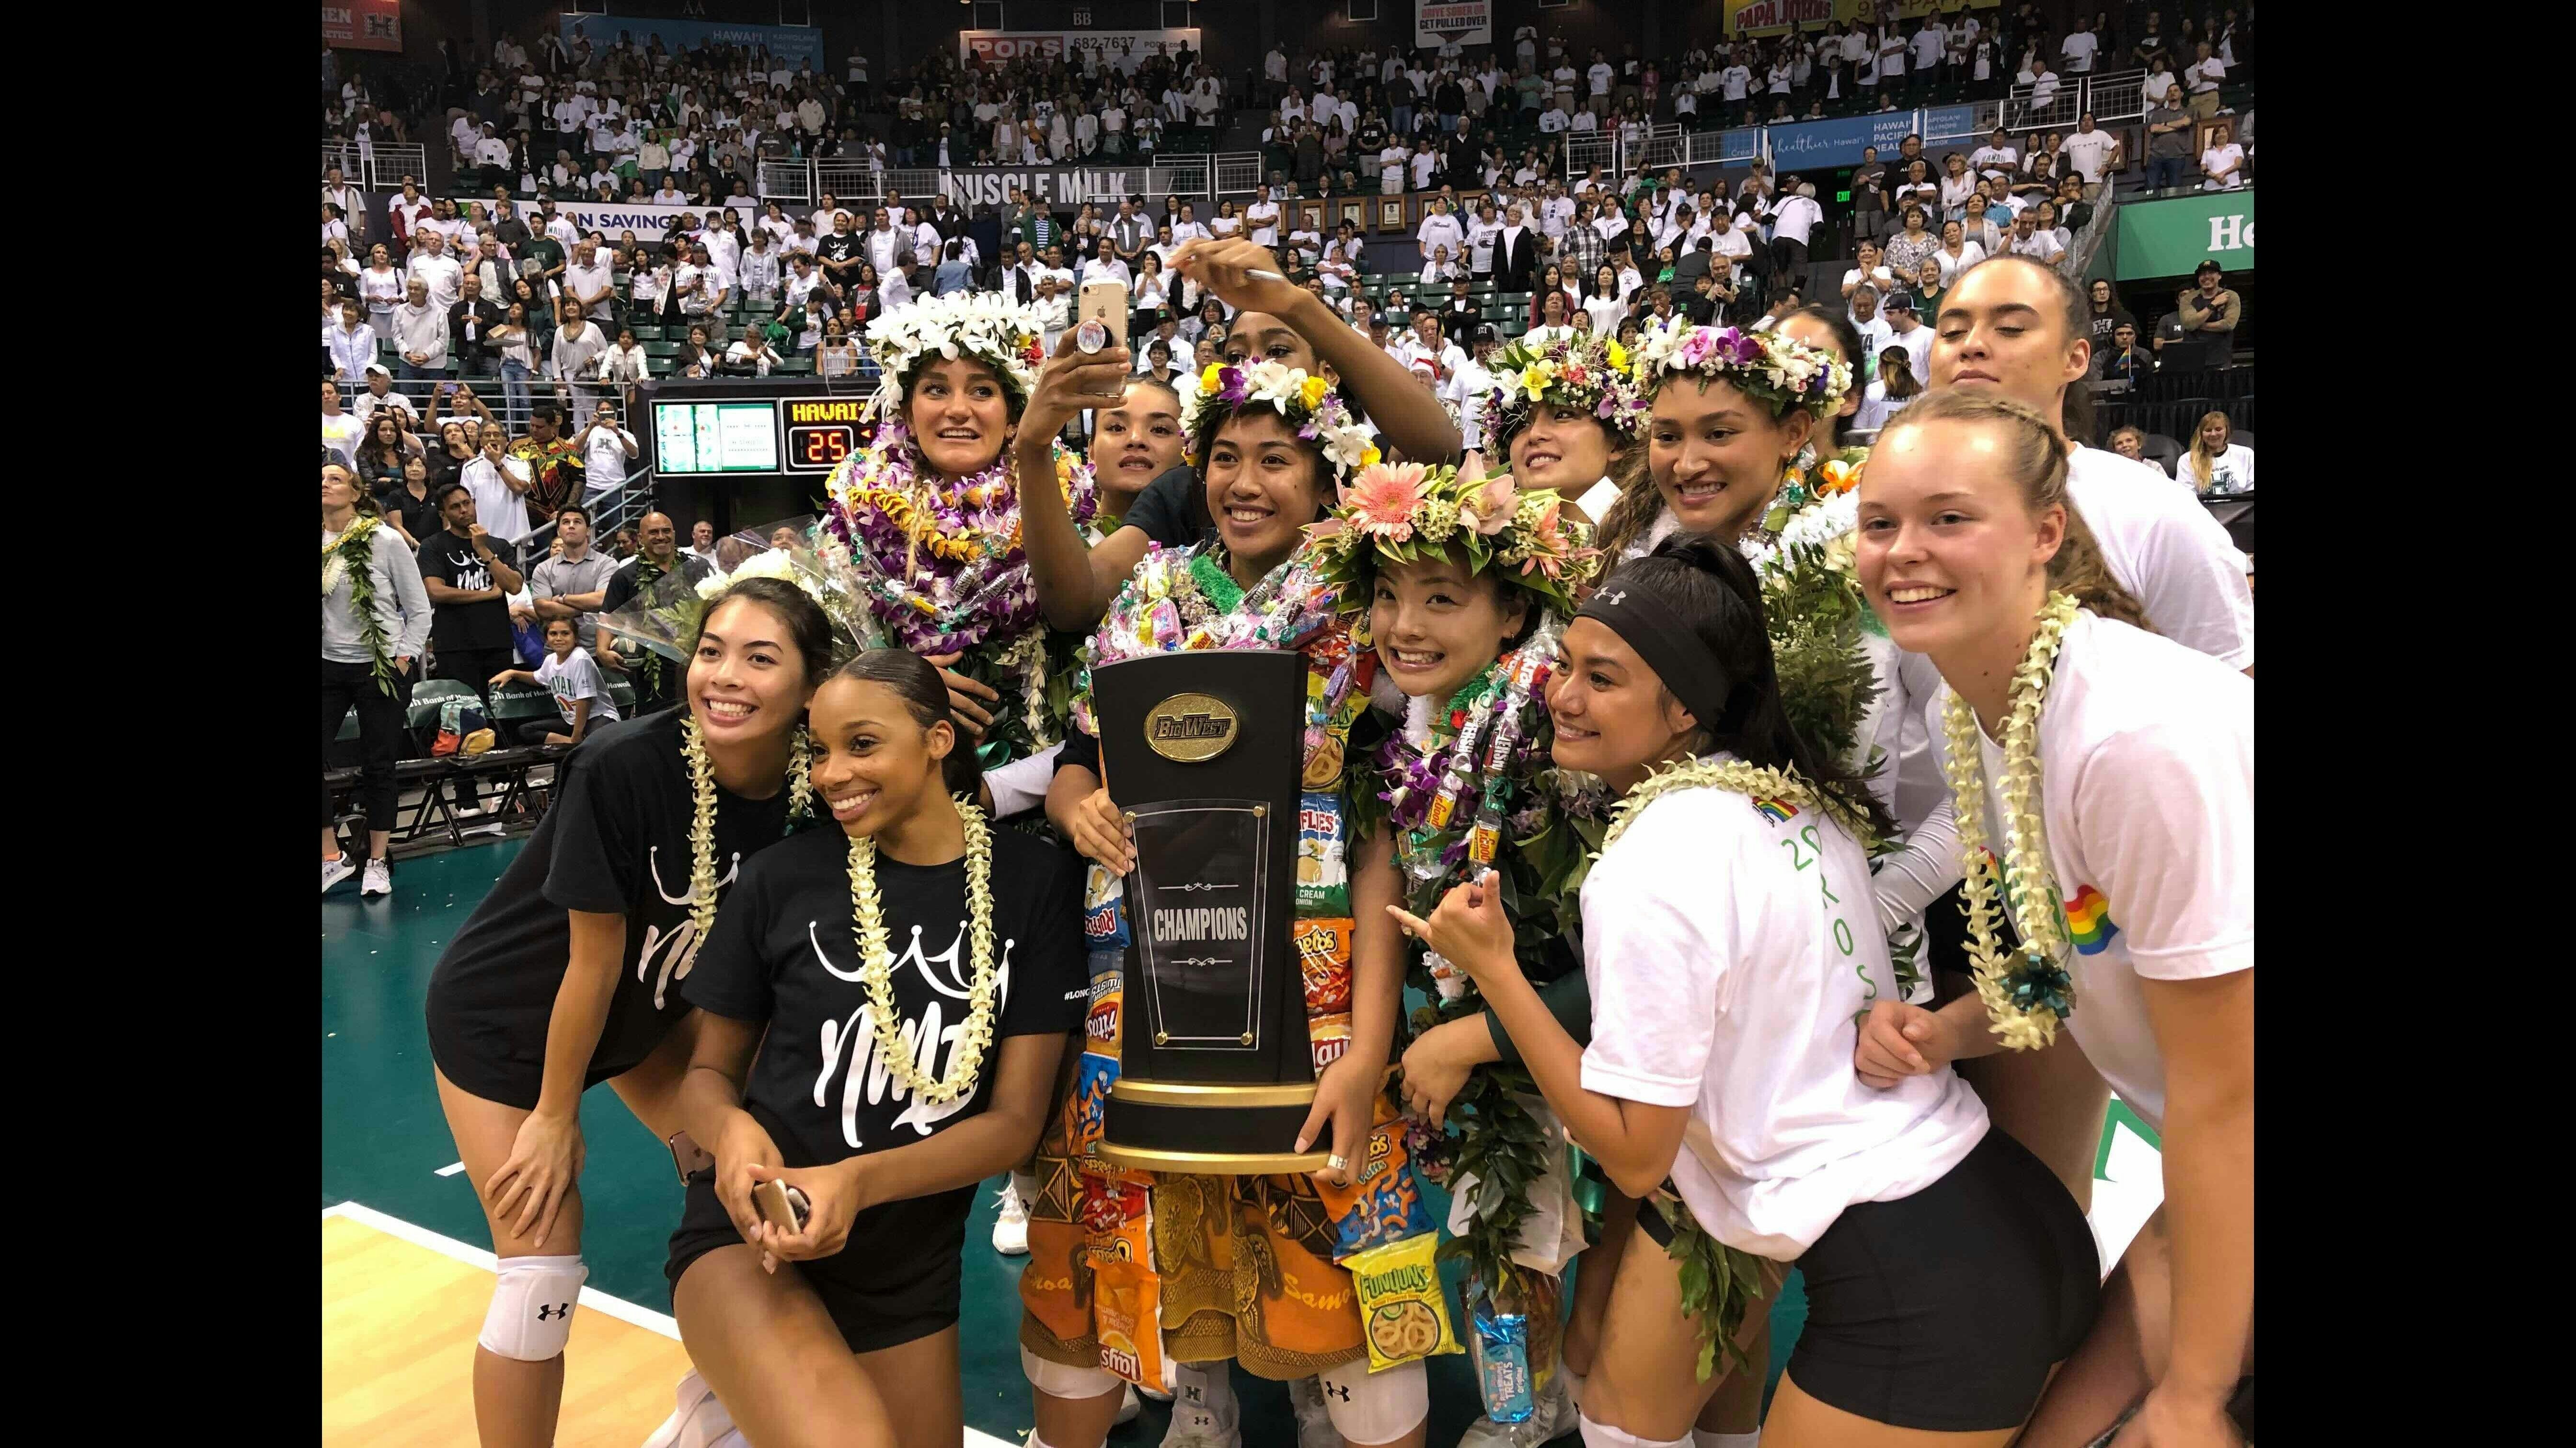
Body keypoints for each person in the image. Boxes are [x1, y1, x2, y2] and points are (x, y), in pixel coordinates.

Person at [1397, 534, 2096, 1448]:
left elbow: (1636, 1157)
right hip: (2001, 1209)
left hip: (1924, 1288)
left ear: (1683, 706)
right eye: (1564, 665)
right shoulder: (1793, 796)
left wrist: (1493, 973)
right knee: (1620, 1414)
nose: (1561, 696)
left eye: (1602, 679)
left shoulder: (1652, 859)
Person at [1013, 348, 1431, 1448]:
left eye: (1278, 460)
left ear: (1328, 476)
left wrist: (1375, 1028)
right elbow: (1078, 755)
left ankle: (1325, 1380)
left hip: (1315, 951)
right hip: (1149, 937)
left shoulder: (1373, 596)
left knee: (1322, 1167)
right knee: (1165, 1173)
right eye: (1228, 459)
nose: (1247, 482)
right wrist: (1073, 810)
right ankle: (1200, 1385)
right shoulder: (1150, 588)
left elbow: (1383, 816)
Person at [1851, 390, 2252, 1448]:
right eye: (1879, 521)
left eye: (1949, 517)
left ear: (2046, 533)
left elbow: (2229, 1093)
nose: (1904, 552)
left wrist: (2196, 1391)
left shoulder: (2133, 734)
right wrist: (1946, 1030)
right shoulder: (1975, 705)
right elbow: (2078, 947)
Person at [422, 578, 833, 1448]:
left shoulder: (812, 790)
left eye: (761, 658)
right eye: (712, 651)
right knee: (540, 1269)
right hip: (512, 1020)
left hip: (648, 1016)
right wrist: (553, 1115)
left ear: (810, 685)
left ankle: (713, 1414)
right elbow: (592, 960)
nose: (724, 676)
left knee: (756, 1189)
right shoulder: (625, 765)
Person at [663, 644, 1087, 1448]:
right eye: (818, 751)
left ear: (935, 740)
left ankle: (732, 1421)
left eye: (862, 745)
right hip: (753, 1244)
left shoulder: (1030, 883)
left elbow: (1012, 1126)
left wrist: (856, 1182)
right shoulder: (783, 878)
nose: (831, 774)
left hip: (906, 1270)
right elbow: (706, 1075)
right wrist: (733, 1132)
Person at [1309, 458, 1600, 1448]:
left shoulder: (1548, 731)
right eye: (1388, 596)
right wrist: (1374, 1044)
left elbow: (1604, 954)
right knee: (1482, 1220)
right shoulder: (1401, 730)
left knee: (1514, 1231)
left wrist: (1472, 1035)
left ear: (1514, 611)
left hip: (1550, 1025)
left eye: (1442, 597)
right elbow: (1385, 877)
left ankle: (1525, 1415)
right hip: (1458, 1026)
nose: (1406, 625)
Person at [321, 462, 431, 900]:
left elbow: (419, 609)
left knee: (378, 764)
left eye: (333, 478)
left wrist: (403, 660)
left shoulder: (383, 539)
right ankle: (331, 858)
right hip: (328, 664)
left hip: (381, 666)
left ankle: (377, 861)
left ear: (355, 491)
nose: (324, 484)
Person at [417, 481, 528, 822]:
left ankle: (501, 786)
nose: (464, 511)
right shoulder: (434, 546)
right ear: (444, 513)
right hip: (455, 645)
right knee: (460, 718)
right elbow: (436, 591)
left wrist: (485, 552)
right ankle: (466, 793)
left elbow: (513, 585)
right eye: (456, 507)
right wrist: (484, 595)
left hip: (496, 641)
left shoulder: (496, 545)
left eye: (468, 504)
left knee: (499, 714)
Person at [1478, 330, 1647, 529]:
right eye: (1522, 424)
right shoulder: (1482, 546)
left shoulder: (1659, 545)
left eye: (1563, 415)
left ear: (1617, 445)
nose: (1535, 434)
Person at [599, 512, 718, 715]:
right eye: (654, 532)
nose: (661, 537)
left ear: (674, 534)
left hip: (696, 663)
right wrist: (602, 650)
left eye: (666, 531)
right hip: (651, 671)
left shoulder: (697, 568)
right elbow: (608, 617)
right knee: (655, 726)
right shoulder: (625, 576)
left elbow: (716, 606)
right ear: (641, 538)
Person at [490, 615, 621, 746]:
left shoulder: (580, 658)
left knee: (595, 743)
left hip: (598, 717)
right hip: (572, 721)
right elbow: (538, 678)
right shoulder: (551, 659)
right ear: (547, 639)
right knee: (526, 731)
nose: (559, 638)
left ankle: (580, 743)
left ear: (575, 638)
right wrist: (513, 673)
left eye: (565, 634)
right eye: (553, 634)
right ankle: (575, 744)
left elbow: (585, 700)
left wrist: (576, 735)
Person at [529, 503, 617, 652]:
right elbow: (543, 609)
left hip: (598, 650)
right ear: (559, 530)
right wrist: (589, 609)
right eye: (566, 522)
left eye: (577, 522)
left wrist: (563, 598)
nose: (571, 526)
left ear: (588, 530)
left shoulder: (607, 564)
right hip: (556, 652)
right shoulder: (543, 568)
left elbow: (602, 599)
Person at [2176, 261, 2242, 367]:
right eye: (2202, 274)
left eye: (2211, 273)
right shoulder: (2188, 299)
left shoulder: (2231, 296)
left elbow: (2228, 325)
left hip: (2221, 359)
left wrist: (2198, 325)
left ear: (2219, 276)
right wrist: (2214, 304)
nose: (2206, 277)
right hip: (2192, 359)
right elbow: (2189, 324)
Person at [2174, 410, 2254, 495]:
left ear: (2227, 431)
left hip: (2241, 507)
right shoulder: (2187, 460)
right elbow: (2186, 496)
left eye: (2218, 429)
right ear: (2201, 434)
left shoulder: (2247, 454)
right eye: (2208, 430)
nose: (2213, 434)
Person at [1856, 343, 1924, 432]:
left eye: (1879, 365)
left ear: (1882, 367)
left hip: (1876, 444)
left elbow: (1859, 429)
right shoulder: (1921, 394)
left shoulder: (1870, 391)